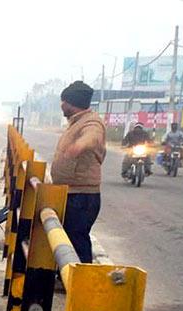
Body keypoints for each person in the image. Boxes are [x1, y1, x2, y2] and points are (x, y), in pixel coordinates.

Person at [50, 81, 106, 263]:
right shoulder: (76, 122)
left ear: (71, 103)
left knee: (77, 238)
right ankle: (69, 277)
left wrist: (79, 146)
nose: (61, 105)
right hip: (71, 193)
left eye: (63, 101)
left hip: (82, 196)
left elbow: (93, 137)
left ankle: (81, 283)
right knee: (68, 238)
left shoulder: (91, 122)